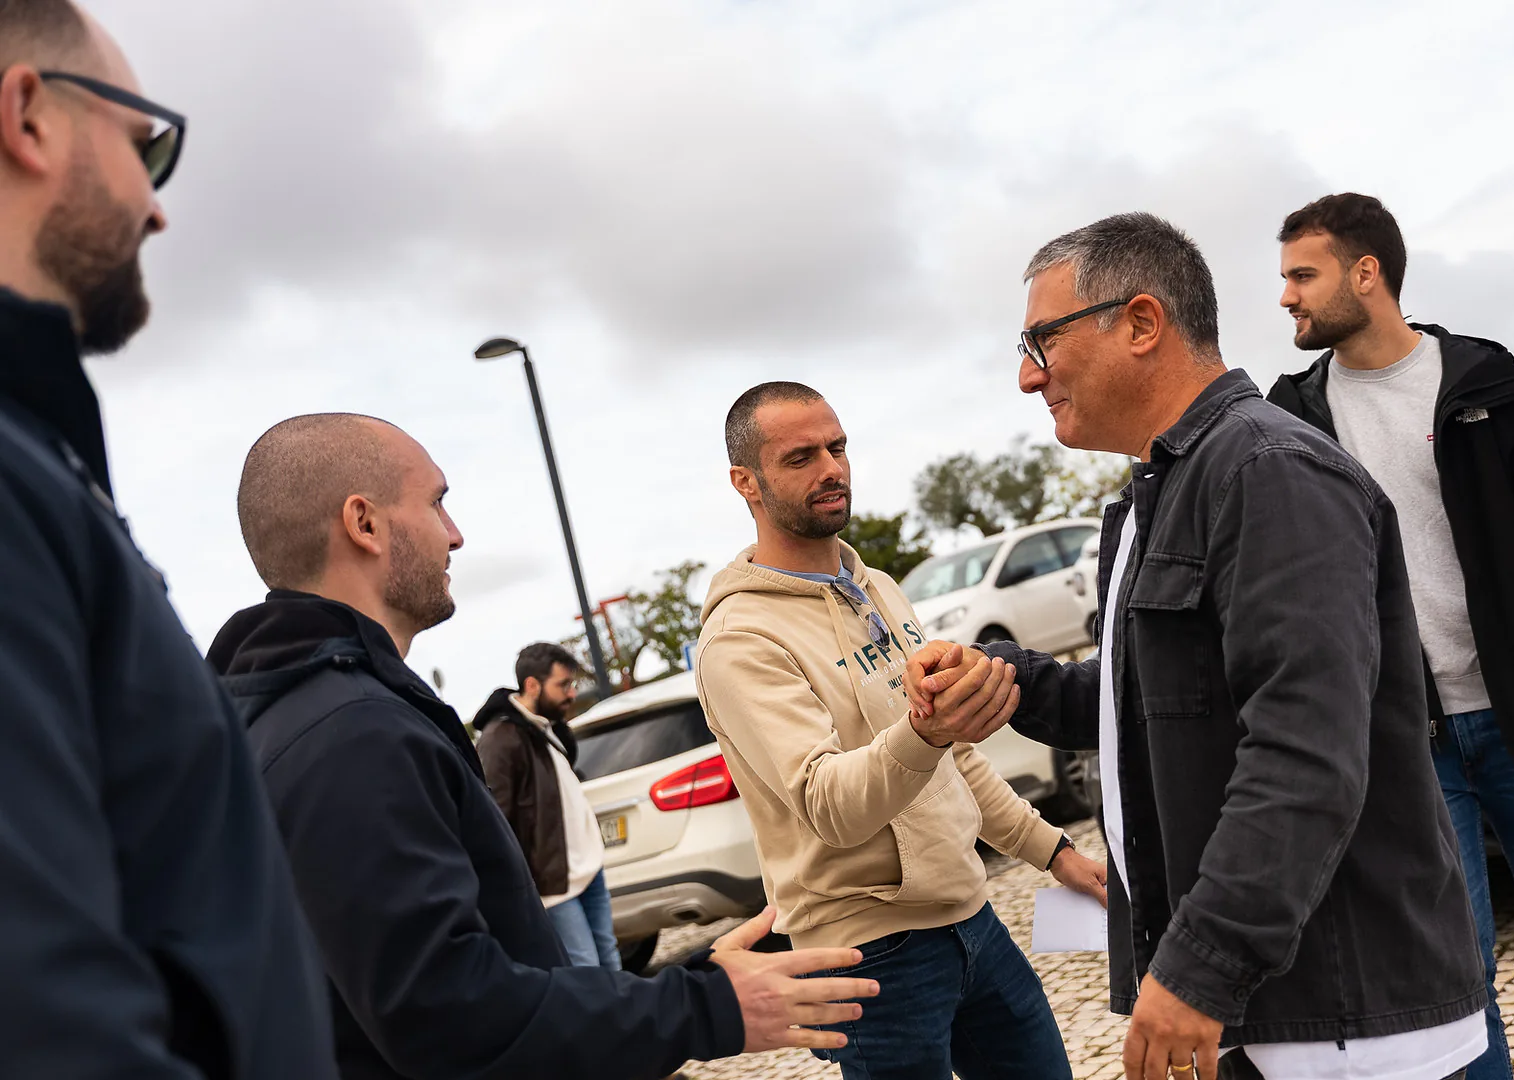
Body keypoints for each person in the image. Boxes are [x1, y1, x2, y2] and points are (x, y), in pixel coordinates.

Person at [908, 212, 1489, 1080]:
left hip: (1338, 1022)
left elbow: (1305, 753)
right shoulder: (1161, 492)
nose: (1028, 376)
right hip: (1267, 1021)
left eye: (1042, 339)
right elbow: (1158, 700)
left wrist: (1200, 970)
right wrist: (1007, 685)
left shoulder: (1268, 473)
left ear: (1142, 322)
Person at [210, 412, 879, 1080]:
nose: (456, 534)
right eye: (437, 502)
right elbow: (448, 1016)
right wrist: (706, 1008)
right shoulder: (350, 734)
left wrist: (685, 986)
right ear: (365, 523)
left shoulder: (286, 719)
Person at [0, 2, 337, 1074]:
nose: (158, 209)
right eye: (150, 145)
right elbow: (44, 1011)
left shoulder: (40, 469)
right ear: (28, 117)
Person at [1265, 193, 1514, 1080]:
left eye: (1301, 275)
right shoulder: (1295, 418)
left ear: (1367, 274)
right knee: (1456, 974)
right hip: (1409, 742)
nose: (1286, 297)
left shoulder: (1485, 381)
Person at [694, 381, 1108, 1080]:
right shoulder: (739, 639)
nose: (831, 468)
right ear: (746, 482)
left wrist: (1057, 854)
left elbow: (958, 759)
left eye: (838, 446)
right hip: (869, 959)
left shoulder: (877, 587)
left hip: (972, 921)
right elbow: (830, 805)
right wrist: (927, 730)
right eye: (800, 457)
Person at [474, 643, 620, 970]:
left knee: (609, 961)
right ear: (532, 685)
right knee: (586, 970)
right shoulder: (501, 737)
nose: (571, 693)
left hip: (588, 868)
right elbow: (497, 818)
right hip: (553, 884)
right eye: (563, 685)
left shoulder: (546, 727)